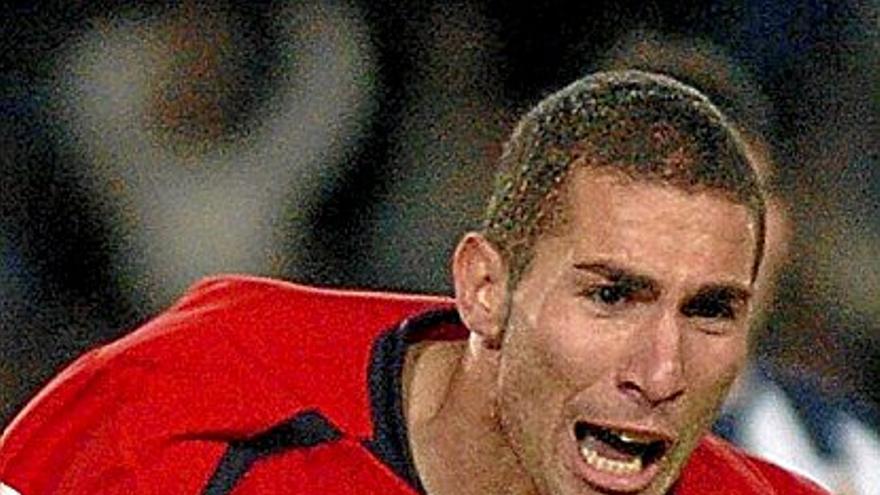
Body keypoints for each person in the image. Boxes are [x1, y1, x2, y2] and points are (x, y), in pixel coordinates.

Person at [0, 70, 830, 495]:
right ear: (484, 288)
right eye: (612, 295)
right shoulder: (197, 404)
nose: (660, 372)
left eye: (711, 309)